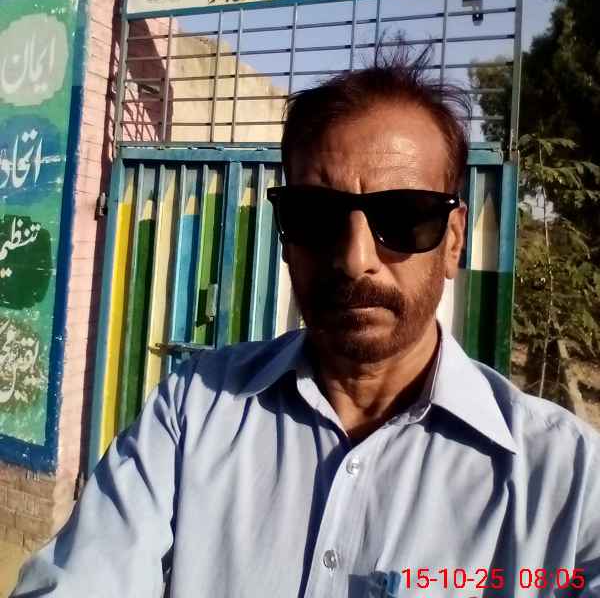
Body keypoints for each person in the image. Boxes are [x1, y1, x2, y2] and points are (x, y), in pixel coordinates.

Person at [12, 54, 600, 598]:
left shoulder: (565, 482)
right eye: (316, 216)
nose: (355, 258)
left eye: (403, 217)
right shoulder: (193, 412)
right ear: (286, 238)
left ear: (452, 241)